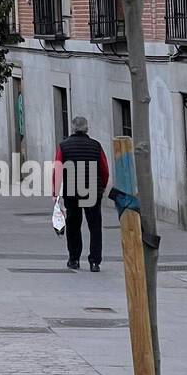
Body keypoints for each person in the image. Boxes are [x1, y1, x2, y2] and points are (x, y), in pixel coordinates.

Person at [53, 116, 109, 271]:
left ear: (72, 128)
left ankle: (74, 259)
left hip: (72, 190)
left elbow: (57, 170)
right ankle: (95, 261)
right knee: (95, 226)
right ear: (87, 129)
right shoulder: (96, 146)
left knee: (73, 225)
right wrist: (102, 187)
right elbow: (104, 169)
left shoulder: (64, 146)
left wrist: (55, 192)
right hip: (92, 190)